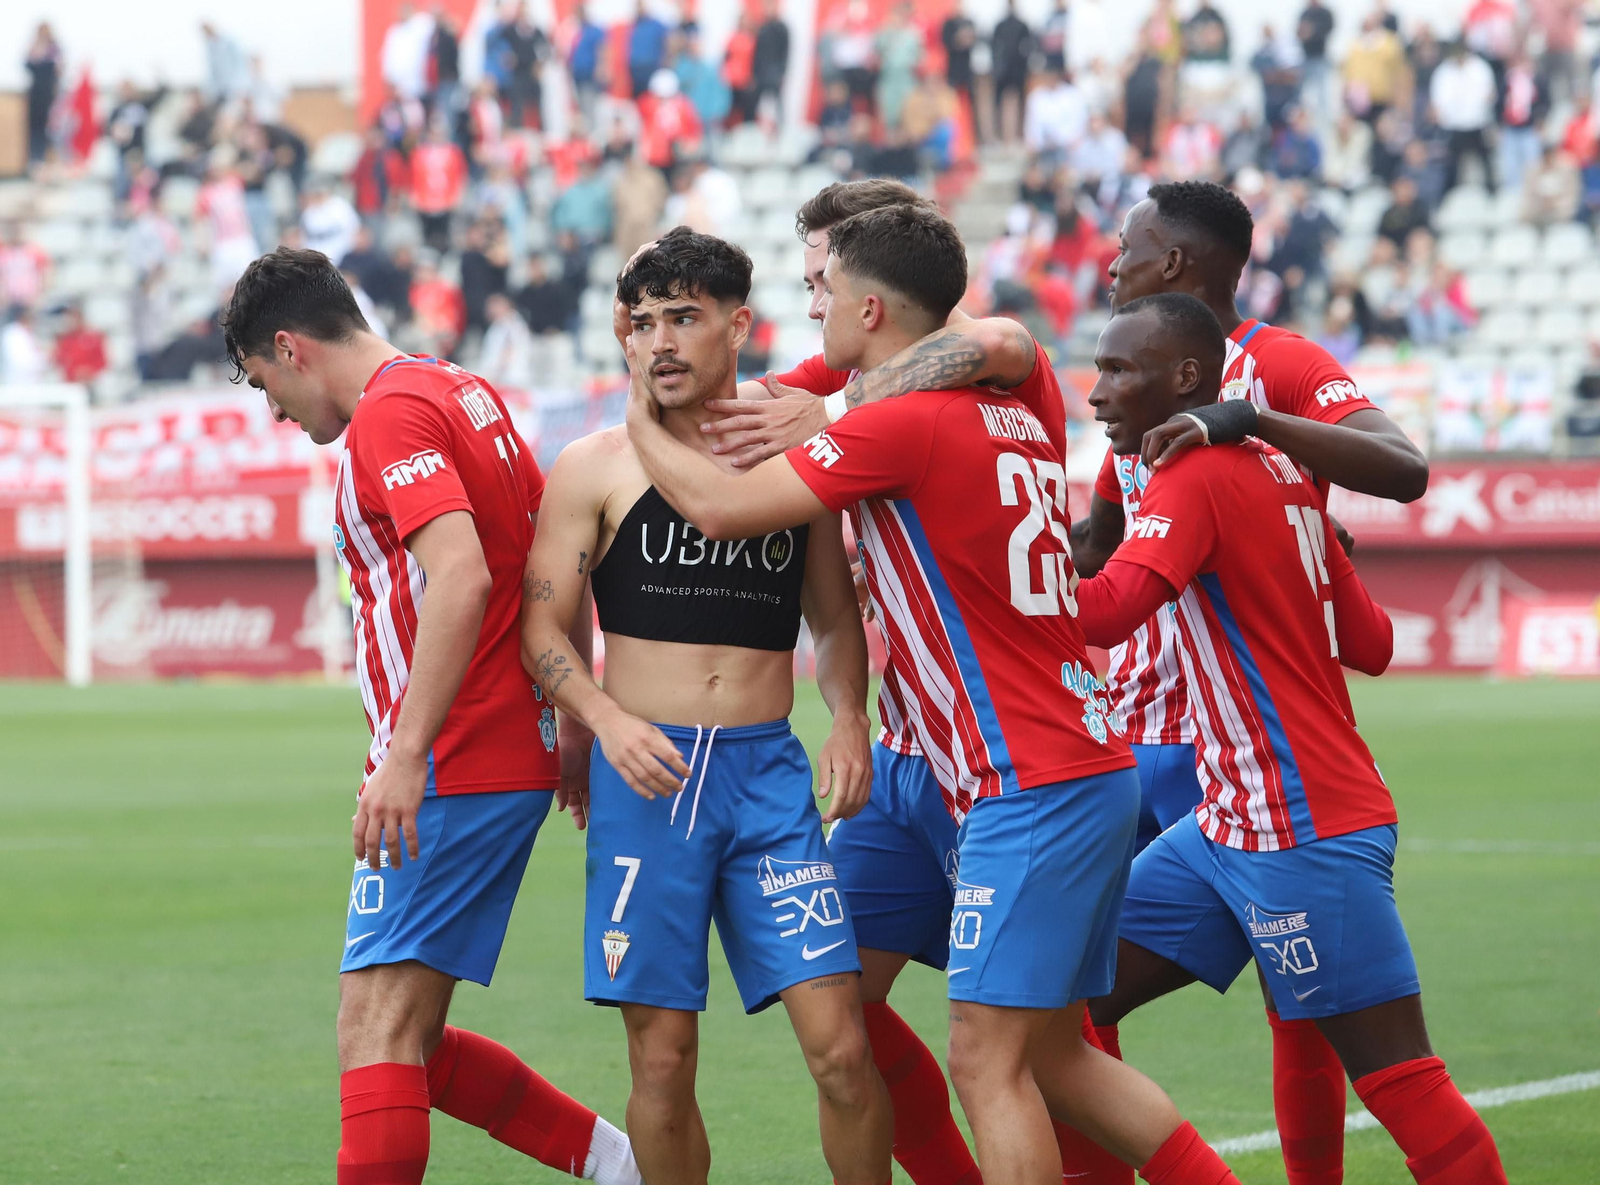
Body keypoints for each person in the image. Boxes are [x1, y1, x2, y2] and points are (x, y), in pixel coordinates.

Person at [625, 203, 1244, 1185]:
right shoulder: (1018, 404)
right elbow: (997, 350)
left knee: (988, 1060)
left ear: (871, 308)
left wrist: (633, 414)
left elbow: (720, 506)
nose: (815, 307)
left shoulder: (896, 422)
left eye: (825, 290)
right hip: (1041, 762)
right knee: (1042, 1051)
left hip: (1022, 778)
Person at [218, 248, 640, 1185]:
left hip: (453, 757)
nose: (276, 411)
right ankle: (620, 1165)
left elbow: (462, 575)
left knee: (375, 1029)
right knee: (410, 1039)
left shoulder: (390, 414)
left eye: (264, 383)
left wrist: (406, 755)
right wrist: (570, 716)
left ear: (290, 346)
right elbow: (554, 556)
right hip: (495, 745)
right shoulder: (461, 389)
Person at [1073, 292, 1509, 1185]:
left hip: (1303, 822)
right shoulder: (1281, 468)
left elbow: (1108, 611)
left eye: (1118, 370)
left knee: (1401, 1079)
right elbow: (1372, 643)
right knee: (1064, 1002)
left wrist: (985, 571)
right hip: (1228, 820)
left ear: (1185, 379)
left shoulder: (1193, 475)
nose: (1097, 391)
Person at [519, 227, 893, 1185]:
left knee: (842, 1050)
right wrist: (605, 721)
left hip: (767, 779)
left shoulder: (789, 454)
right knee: (662, 1060)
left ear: (739, 325)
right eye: (644, 323)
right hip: (649, 780)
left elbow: (835, 620)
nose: (661, 342)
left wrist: (849, 717)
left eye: (684, 318)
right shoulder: (593, 465)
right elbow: (541, 630)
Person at [1430, 40, 1497, 193]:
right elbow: (1438, 99)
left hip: (1477, 123)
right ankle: (1451, 191)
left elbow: (1489, 94)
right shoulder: (1443, 71)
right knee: (1452, 162)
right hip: (1453, 125)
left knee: (1484, 159)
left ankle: (1491, 190)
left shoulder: (1479, 68)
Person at [990, 0, 1034, 144]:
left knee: (1020, 102)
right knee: (1000, 104)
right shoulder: (1000, 25)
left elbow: (1028, 47)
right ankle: (1003, 135)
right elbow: (994, 47)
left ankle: (1019, 134)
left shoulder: (1022, 25)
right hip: (1003, 71)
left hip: (1017, 71)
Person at [24, 23, 61, 169]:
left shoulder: (54, 49)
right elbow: (27, 65)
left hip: (49, 93)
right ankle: (35, 159)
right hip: (36, 93)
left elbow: (57, 69)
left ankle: (49, 160)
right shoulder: (34, 47)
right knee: (35, 127)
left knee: (50, 127)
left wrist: (41, 60)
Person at [753, 0, 790, 122]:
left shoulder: (781, 27)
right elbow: (757, 52)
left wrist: (782, 72)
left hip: (774, 72)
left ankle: (780, 125)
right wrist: (755, 72)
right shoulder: (762, 27)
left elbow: (785, 51)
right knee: (754, 102)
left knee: (777, 103)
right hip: (761, 72)